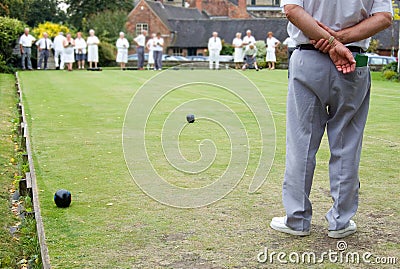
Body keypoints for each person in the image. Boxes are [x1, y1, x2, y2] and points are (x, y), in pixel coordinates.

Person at [270, 0, 392, 238]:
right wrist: (340, 40)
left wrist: (332, 41)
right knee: (347, 145)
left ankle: (297, 219)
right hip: (352, 62)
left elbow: (292, 10)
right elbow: (384, 16)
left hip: (309, 58)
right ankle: (340, 221)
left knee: (301, 143)